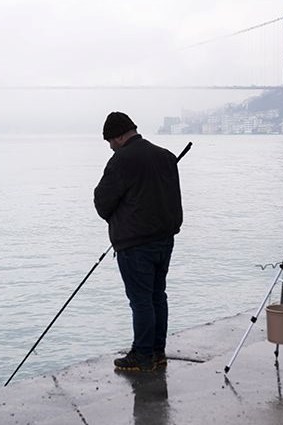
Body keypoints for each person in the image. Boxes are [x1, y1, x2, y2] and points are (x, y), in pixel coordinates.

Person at [94, 111, 183, 372]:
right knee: (157, 295)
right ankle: (157, 352)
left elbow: (103, 202)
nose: (110, 146)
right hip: (165, 239)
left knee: (141, 300)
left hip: (135, 244)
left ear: (120, 135)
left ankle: (142, 355)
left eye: (110, 140)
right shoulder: (165, 156)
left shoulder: (122, 160)